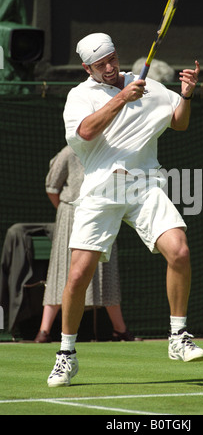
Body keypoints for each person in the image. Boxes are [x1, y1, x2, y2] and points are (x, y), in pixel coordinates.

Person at [47, 33, 203, 388]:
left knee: (179, 251)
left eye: (112, 58)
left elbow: (179, 122)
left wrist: (186, 93)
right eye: (100, 63)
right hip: (102, 189)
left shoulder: (147, 86)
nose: (109, 66)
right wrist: (122, 97)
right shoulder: (79, 96)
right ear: (86, 68)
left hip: (145, 186)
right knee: (77, 276)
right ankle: (66, 355)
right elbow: (85, 133)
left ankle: (178, 336)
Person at [35, 145, 140, 343]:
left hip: (102, 213)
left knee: (105, 269)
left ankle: (120, 330)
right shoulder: (68, 152)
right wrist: (67, 211)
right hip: (71, 216)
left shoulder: (110, 152)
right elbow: (52, 188)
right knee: (62, 270)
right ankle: (44, 331)